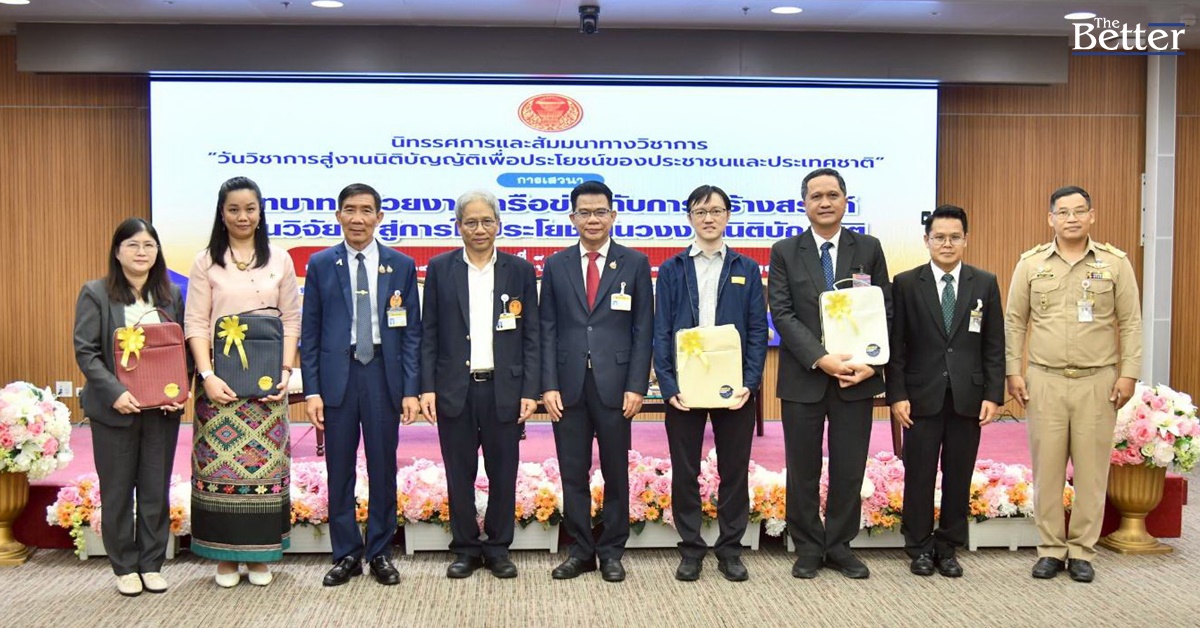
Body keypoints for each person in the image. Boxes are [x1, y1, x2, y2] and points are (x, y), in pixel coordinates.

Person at [1005, 185, 1142, 583]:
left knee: (1091, 472)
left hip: (1097, 381)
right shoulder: (1031, 264)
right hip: (1044, 380)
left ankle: (1082, 550)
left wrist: (1129, 373)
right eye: (1063, 212)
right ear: (1051, 218)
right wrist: (1013, 371)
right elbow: (1015, 321)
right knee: (1047, 471)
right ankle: (1050, 549)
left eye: (1079, 211)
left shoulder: (1114, 263)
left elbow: (1130, 322)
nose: (1071, 218)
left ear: (1092, 216)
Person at [767, 167, 891, 580]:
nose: (825, 202)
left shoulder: (868, 247)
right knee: (802, 468)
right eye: (816, 196)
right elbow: (782, 313)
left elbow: (882, 309)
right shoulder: (785, 251)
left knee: (848, 467)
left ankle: (839, 546)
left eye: (832, 195)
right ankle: (807, 547)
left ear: (845, 201)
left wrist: (871, 363)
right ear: (804, 203)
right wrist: (821, 358)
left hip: (856, 376)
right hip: (804, 376)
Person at [301, 183, 422, 587]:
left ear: (379, 217)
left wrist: (410, 389)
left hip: (383, 375)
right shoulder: (321, 264)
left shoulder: (401, 265)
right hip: (338, 376)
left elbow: (412, 333)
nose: (358, 218)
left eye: (366, 210)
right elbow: (310, 332)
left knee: (383, 466)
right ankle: (346, 554)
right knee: (339, 468)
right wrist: (312, 390)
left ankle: (381, 552)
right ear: (338, 215)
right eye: (350, 210)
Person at [184, 176, 299, 587]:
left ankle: (261, 556)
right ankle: (225, 558)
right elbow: (196, 322)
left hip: (268, 386)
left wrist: (285, 372)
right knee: (221, 471)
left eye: (250, 208)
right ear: (222, 213)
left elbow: (291, 319)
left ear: (260, 211)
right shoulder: (205, 261)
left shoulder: (280, 259)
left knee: (264, 471)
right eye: (234, 209)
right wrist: (207, 375)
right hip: (220, 386)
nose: (243, 216)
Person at [419, 191, 539, 580]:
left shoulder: (520, 270)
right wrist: (427, 387)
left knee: (504, 472)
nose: (480, 229)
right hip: (455, 388)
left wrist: (530, 390)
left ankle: (499, 547)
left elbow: (532, 335)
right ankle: (466, 547)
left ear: (498, 225)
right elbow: (429, 332)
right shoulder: (441, 268)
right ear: (459, 226)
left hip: (505, 388)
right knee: (460, 473)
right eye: (470, 222)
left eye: (487, 221)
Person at [653, 185, 768, 582]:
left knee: (734, 470)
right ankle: (691, 549)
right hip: (685, 386)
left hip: (733, 386)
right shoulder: (672, 269)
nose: (708, 218)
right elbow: (661, 330)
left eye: (716, 211)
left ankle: (730, 550)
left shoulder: (746, 268)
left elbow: (757, 331)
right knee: (685, 470)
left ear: (727, 216)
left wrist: (750, 382)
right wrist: (668, 385)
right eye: (700, 211)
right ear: (690, 217)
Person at [540, 180, 653, 582]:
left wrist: (637, 385)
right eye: (584, 212)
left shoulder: (635, 262)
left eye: (600, 212)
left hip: (616, 386)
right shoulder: (556, 264)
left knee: (615, 471)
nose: (593, 219)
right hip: (567, 386)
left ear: (613, 215)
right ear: (573, 218)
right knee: (573, 472)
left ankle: (612, 551)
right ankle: (581, 551)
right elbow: (546, 327)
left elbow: (643, 328)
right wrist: (548, 385)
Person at [886, 204, 1004, 578]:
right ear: (926, 240)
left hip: (968, 397)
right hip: (920, 397)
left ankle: (949, 546)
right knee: (919, 475)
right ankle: (919, 547)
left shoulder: (984, 282)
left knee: (958, 475)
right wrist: (897, 394)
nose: (947, 244)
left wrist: (993, 394)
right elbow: (896, 345)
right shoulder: (906, 283)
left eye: (955, 237)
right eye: (939, 237)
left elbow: (994, 344)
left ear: (966, 239)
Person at [73, 218, 187, 596]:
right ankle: (124, 566)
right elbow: (87, 352)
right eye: (133, 245)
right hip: (115, 411)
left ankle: (151, 564)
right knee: (118, 491)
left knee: (155, 489)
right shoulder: (96, 293)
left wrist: (181, 388)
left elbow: (182, 347)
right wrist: (115, 393)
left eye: (149, 245)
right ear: (117, 251)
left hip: (161, 411)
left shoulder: (171, 294)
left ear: (158, 252)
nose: (142, 252)